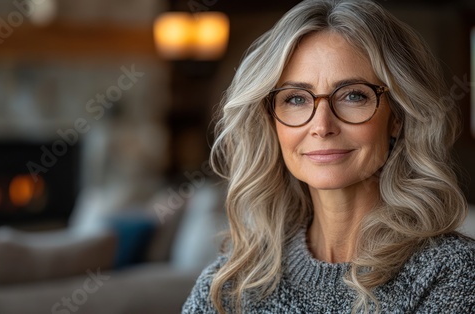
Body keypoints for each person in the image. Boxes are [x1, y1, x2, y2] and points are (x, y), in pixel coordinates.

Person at [182, 0, 475, 313]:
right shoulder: (231, 283)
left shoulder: (452, 272)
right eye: (295, 98)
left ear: (396, 118)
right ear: (271, 120)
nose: (321, 126)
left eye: (353, 95)